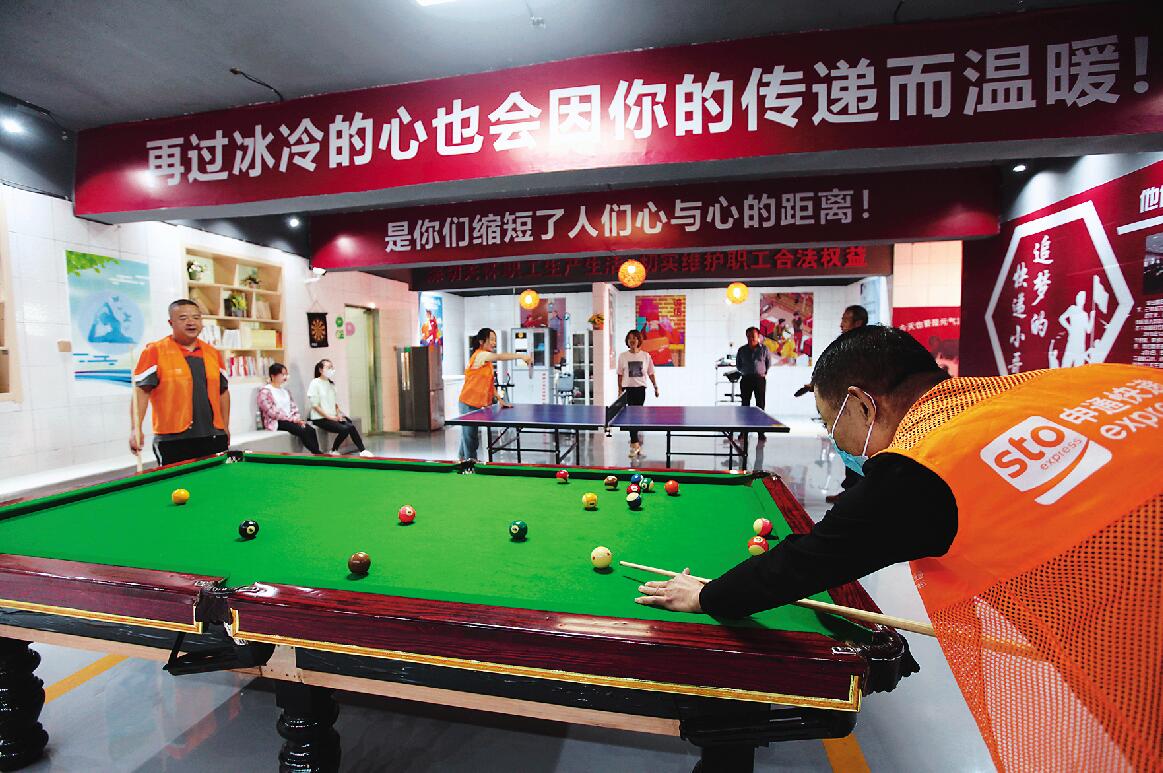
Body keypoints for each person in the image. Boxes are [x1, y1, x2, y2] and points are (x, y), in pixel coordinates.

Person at [635, 325, 1161, 773]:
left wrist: (707, 596)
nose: (836, 440)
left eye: (830, 423)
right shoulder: (1056, 385)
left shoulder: (926, 463)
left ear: (863, 404)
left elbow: (807, 562)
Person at [130, 299, 230, 466]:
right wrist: (136, 428)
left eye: (196, 318)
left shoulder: (213, 353)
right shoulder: (155, 351)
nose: (191, 322)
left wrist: (225, 427)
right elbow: (141, 392)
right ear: (171, 323)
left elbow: (223, 392)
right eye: (183, 318)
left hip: (213, 436)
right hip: (173, 440)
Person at [794, 304, 868, 502]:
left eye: (845, 319)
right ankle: (851, 492)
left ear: (858, 322)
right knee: (849, 451)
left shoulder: (861, 347)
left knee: (856, 452)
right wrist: (817, 383)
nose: (841, 324)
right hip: (846, 408)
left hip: (857, 410)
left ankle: (857, 495)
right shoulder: (846, 343)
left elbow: (850, 375)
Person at [457, 327, 532, 461]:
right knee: (470, 438)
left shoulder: (487, 361)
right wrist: (521, 356)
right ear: (481, 341)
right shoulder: (480, 355)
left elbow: (489, 384)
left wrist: (499, 399)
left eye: (495, 340)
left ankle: (462, 460)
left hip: (476, 404)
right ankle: (470, 464)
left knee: (468, 436)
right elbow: (499, 356)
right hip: (468, 402)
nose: (494, 343)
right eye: (491, 339)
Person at [307, 359, 373, 457]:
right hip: (320, 418)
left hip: (333, 417)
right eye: (328, 367)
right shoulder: (315, 383)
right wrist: (330, 417)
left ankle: (362, 450)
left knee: (350, 426)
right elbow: (315, 405)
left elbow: (334, 403)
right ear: (320, 370)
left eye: (332, 367)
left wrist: (338, 414)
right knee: (344, 429)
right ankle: (334, 450)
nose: (331, 369)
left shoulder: (331, 384)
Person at [258, 363, 323, 455]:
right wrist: (292, 420)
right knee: (302, 430)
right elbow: (271, 412)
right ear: (273, 376)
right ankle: (318, 453)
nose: (285, 377)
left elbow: (293, 407)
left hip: (291, 420)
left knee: (310, 430)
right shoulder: (265, 391)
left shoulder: (285, 391)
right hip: (277, 421)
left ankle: (317, 453)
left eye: (286, 374)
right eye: (282, 374)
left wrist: (297, 418)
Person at [617, 329, 659, 460]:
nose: (632, 340)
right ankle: (634, 445)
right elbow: (620, 374)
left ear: (639, 340)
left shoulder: (646, 356)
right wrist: (619, 390)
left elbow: (651, 373)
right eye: (630, 338)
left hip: (640, 390)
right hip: (628, 390)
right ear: (627, 341)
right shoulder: (623, 356)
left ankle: (636, 445)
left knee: (637, 418)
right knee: (631, 418)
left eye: (635, 338)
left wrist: (655, 387)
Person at [735, 326, 773, 441]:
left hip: (759, 380)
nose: (751, 338)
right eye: (749, 336)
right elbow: (738, 365)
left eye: (753, 336)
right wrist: (745, 371)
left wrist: (762, 372)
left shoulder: (764, 349)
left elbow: (768, 363)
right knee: (745, 406)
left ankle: (761, 433)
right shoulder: (742, 350)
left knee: (760, 406)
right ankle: (743, 432)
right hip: (746, 379)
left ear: (758, 336)